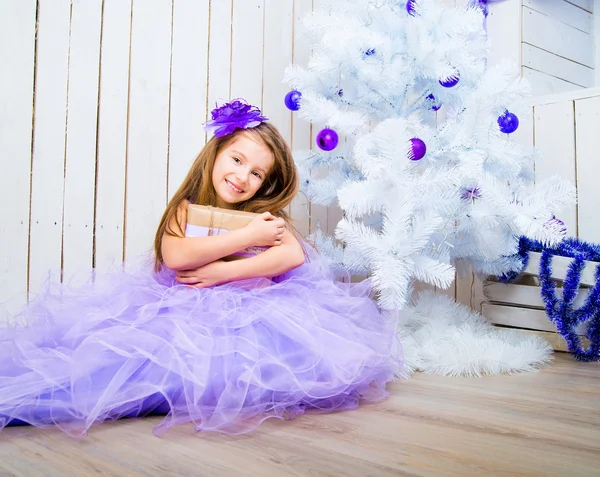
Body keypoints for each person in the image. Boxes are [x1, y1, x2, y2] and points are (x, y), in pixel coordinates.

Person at [0, 99, 402, 438]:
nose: (243, 176)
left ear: (266, 183)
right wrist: (243, 240)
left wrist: (223, 273)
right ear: (217, 153)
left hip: (249, 318)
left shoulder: (263, 215)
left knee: (237, 376)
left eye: (257, 173)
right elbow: (176, 257)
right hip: (181, 310)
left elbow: (292, 256)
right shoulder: (187, 210)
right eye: (237, 159)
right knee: (130, 369)